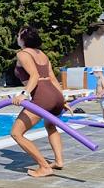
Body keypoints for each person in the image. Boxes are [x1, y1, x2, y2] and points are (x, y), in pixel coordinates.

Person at [10, 26, 69, 178]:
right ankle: (59, 161)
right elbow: (53, 78)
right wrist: (62, 99)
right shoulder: (42, 54)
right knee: (50, 126)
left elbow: (34, 76)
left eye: (18, 35)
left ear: (23, 38)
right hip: (55, 95)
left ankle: (44, 167)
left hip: (42, 96)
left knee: (16, 133)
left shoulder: (22, 54)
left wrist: (24, 94)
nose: (17, 37)